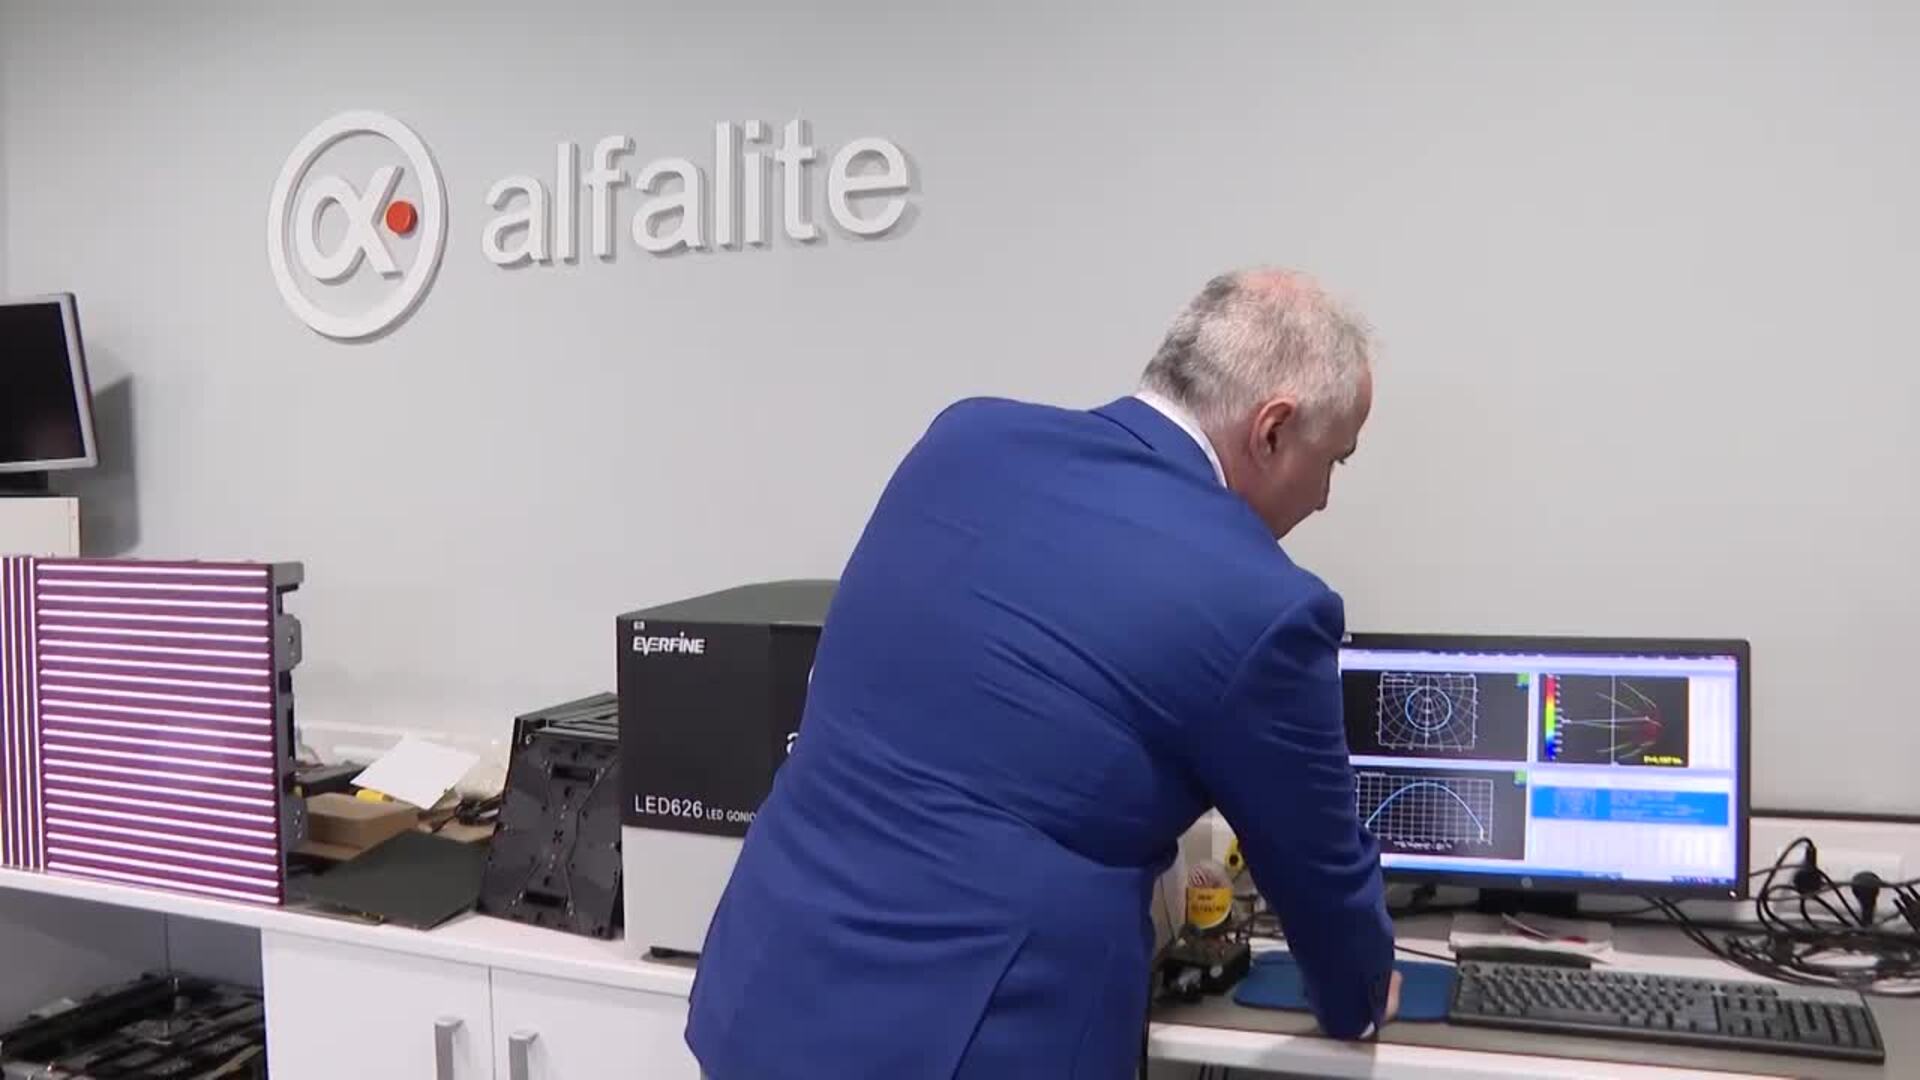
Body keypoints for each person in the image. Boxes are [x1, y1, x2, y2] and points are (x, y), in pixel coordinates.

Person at [687, 268, 1399, 1079]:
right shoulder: (1263, 604)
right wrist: (1360, 993)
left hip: (764, 989)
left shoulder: (966, 439)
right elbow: (1317, 875)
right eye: (1333, 461)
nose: (1324, 497)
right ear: (1271, 431)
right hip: (964, 1045)